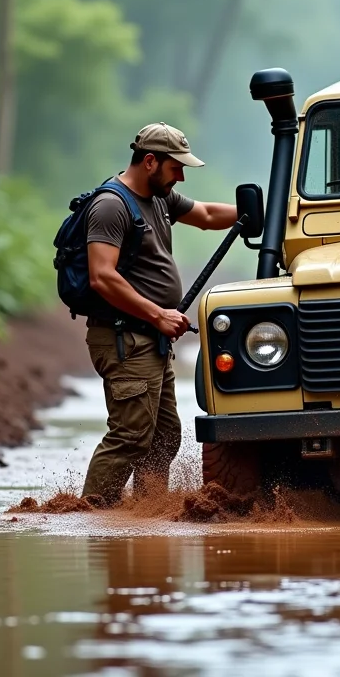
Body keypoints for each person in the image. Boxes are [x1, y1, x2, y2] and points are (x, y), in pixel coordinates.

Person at [81, 122, 238, 506]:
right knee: (131, 435)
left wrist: (267, 210)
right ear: (150, 161)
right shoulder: (111, 206)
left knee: (165, 434)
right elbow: (102, 276)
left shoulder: (159, 197)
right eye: (176, 167)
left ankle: (145, 512)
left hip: (151, 340)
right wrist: (157, 315)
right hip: (125, 339)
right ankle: (90, 517)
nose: (181, 176)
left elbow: (205, 214)